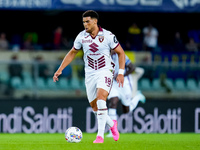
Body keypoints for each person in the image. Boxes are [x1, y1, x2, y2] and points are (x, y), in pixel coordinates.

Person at [53, 10, 125, 143]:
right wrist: (60, 69)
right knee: (95, 107)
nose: (85, 24)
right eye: (83, 22)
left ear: (95, 21)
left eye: (87, 21)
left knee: (101, 98)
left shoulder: (108, 35)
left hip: (105, 70)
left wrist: (120, 72)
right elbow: (72, 52)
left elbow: (121, 53)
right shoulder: (81, 37)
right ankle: (112, 124)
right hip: (90, 73)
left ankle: (100, 136)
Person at [107, 51, 146, 137]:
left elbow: (132, 68)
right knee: (112, 103)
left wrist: (121, 75)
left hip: (124, 84)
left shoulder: (122, 55)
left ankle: (137, 97)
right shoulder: (105, 56)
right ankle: (112, 132)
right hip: (114, 84)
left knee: (126, 111)